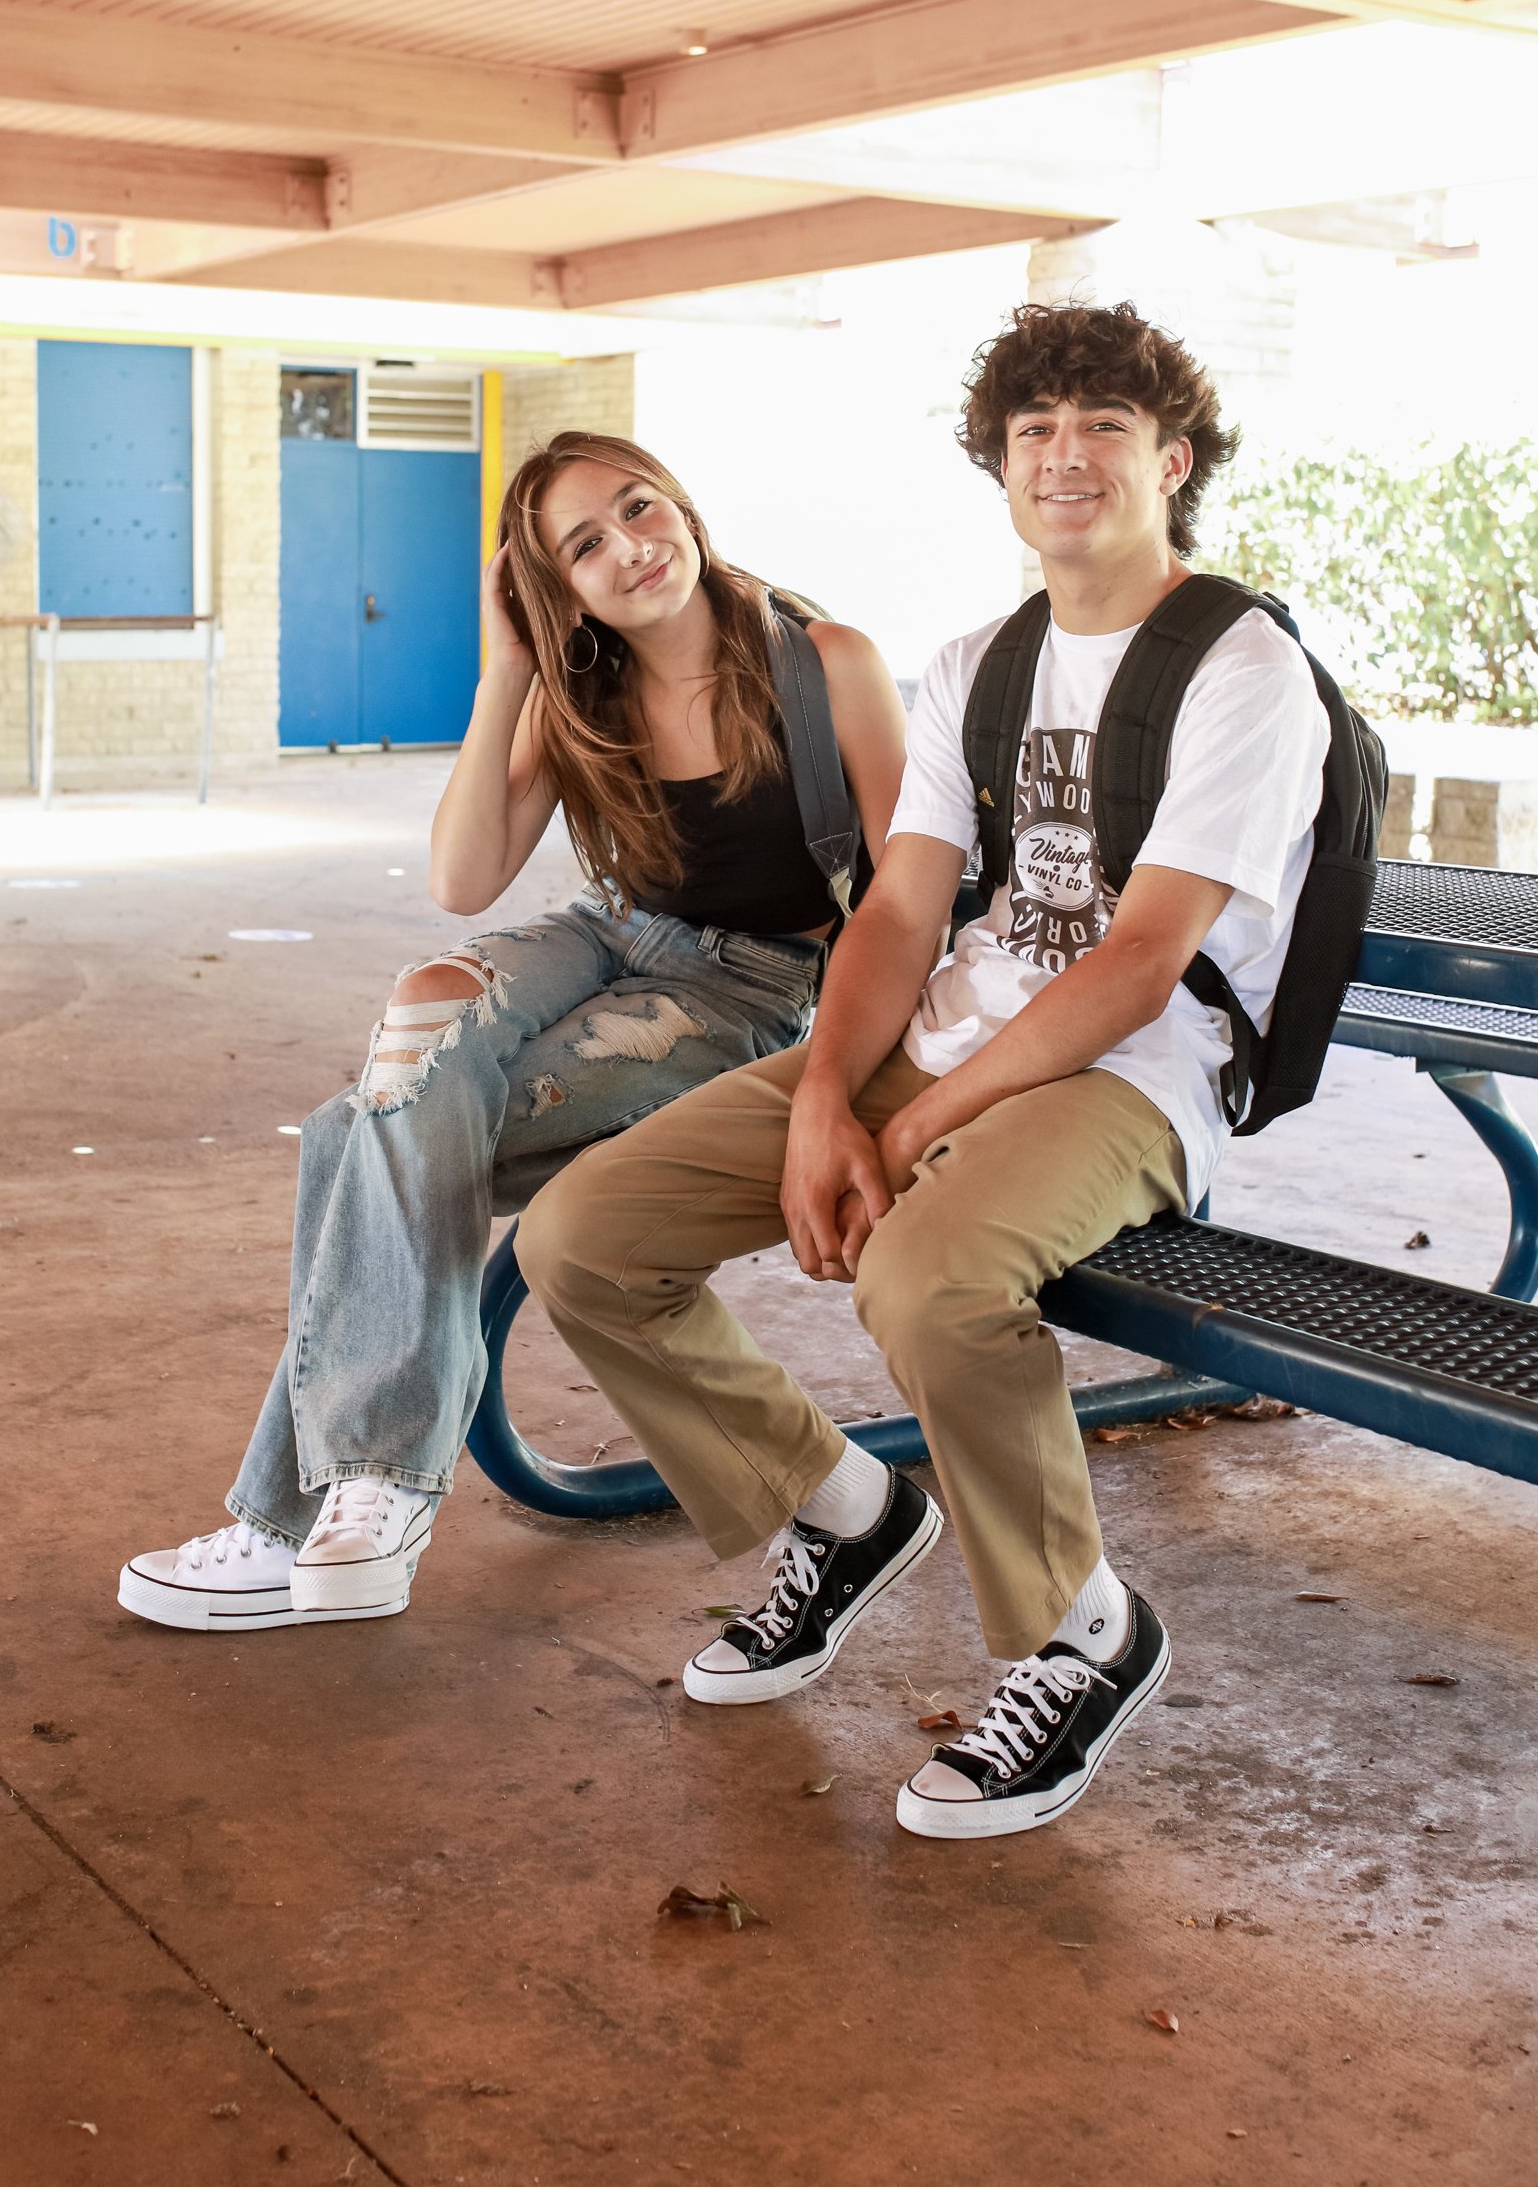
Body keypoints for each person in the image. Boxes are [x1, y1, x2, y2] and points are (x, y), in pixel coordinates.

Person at [519, 303, 1330, 1840]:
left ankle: (1075, 1630)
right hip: (950, 1034)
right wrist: (829, 1095)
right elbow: (901, 903)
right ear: (1000, 469)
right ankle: (835, 1509)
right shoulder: (980, 662)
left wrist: (920, 1126)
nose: (1063, 454)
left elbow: (1139, 959)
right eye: (1032, 431)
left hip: (1130, 1078)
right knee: (582, 1239)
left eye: (1099, 425)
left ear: (1171, 460)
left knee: (925, 1282)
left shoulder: (1239, 668)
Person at [119, 431, 906, 1635]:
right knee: (420, 1018)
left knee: (371, 1144)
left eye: (639, 510)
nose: (629, 548)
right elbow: (461, 877)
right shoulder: (576, 693)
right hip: (610, 931)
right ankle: (371, 1488)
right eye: (583, 546)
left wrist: (840, 1082)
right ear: (557, 589)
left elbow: (905, 895)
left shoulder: (823, 661)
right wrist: (504, 671)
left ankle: (297, 1518)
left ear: (682, 505)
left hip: (752, 988)